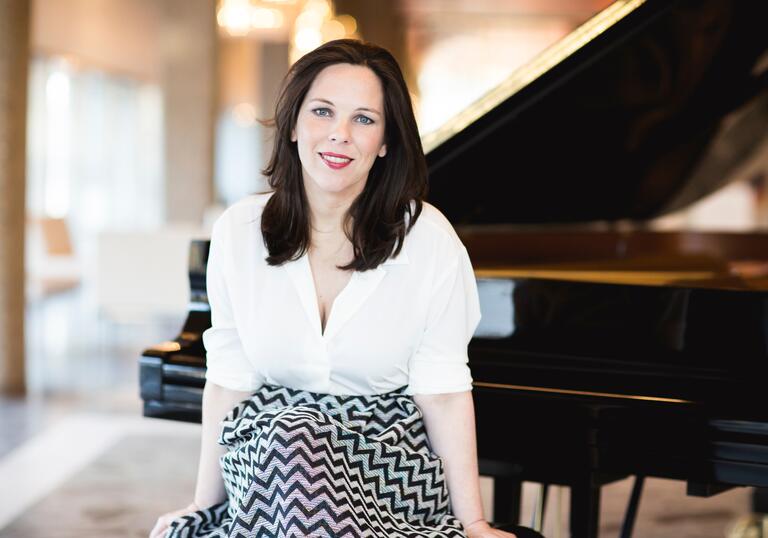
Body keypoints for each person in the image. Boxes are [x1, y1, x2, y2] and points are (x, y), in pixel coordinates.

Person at [150, 39, 530, 538]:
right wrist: (203, 505)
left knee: (299, 452)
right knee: (293, 434)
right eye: (323, 112)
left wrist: (474, 522)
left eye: (364, 120)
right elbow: (228, 379)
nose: (339, 135)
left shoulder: (430, 239)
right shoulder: (239, 230)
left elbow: (443, 393)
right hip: (273, 457)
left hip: (385, 459)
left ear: (388, 141)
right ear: (292, 124)